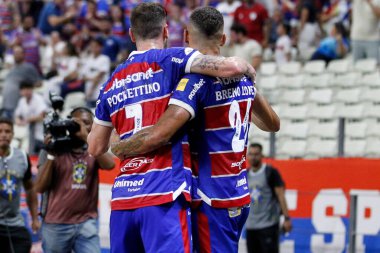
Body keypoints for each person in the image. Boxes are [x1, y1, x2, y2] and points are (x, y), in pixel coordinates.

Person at [87, 3, 256, 252]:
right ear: (166, 31)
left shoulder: (112, 81)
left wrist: (119, 141)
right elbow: (231, 67)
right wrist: (247, 68)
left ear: (132, 35)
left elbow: (94, 146)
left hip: (124, 197)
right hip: (164, 192)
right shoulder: (175, 59)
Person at [34, 107, 115, 253]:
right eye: (79, 123)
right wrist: (52, 155)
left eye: (87, 123)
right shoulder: (53, 147)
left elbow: (110, 165)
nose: (82, 127)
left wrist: (87, 138)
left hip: (86, 222)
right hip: (56, 224)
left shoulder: (93, 150)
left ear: (93, 126)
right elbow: (39, 187)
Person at [0, 118, 40, 253]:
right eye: (0, 131)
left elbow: (30, 188)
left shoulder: (22, 156)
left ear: (12, 134)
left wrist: (34, 218)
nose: (4, 134)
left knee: (24, 243)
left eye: (7, 131)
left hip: (15, 223)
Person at [246, 143, 292, 253]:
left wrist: (286, 219)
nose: (253, 157)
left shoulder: (271, 172)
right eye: (251, 154)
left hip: (268, 225)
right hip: (251, 226)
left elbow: (281, 196)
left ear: (262, 155)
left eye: (256, 154)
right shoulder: (245, 174)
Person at [0, 45, 41, 120]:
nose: (16, 55)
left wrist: (26, 87)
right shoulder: (12, 68)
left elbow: (39, 83)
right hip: (4, 107)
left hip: (16, 108)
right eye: (15, 53)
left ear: (24, 54)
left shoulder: (29, 67)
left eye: (18, 53)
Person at [14, 81, 48, 155]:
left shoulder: (38, 99)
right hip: (29, 133)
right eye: (24, 89)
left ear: (32, 89)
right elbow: (17, 115)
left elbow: (43, 115)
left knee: (42, 155)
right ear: (20, 91)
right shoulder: (21, 101)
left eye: (28, 89)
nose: (26, 91)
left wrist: (28, 120)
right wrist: (18, 121)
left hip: (40, 132)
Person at [81, 37, 110, 107]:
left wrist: (91, 90)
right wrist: (92, 79)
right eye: (92, 46)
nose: (93, 48)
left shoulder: (104, 59)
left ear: (101, 47)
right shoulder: (88, 59)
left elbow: (99, 76)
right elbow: (83, 77)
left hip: (100, 93)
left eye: (96, 46)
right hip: (89, 93)